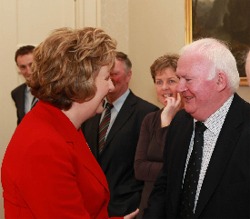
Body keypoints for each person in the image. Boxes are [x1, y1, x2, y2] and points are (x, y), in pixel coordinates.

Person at [1, 27, 139, 219]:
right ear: (81, 82)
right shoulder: (44, 145)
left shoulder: (62, 125)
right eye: (106, 78)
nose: (111, 86)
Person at [143, 38, 250, 218]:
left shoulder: (246, 126)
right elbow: (164, 187)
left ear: (220, 81)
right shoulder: (179, 123)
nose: (179, 87)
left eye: (188, 79)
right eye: (179, 78)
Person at [81, 51, 159, 217]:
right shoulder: (90, 111)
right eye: (106, 75)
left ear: (129, 75)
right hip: (92, 208)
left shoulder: (147, 113)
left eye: (115, 74)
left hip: (129, 208)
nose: (110, 80)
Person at [134, 54, 182, 219]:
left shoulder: (192, 119)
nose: (164, 88)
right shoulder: (150, 119)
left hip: (177, 207)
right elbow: (139, 169)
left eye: (171, 81)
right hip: (150, 206)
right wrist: (174, 170)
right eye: (159, 82)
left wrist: (167, 121)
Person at [11, 45, 36, 125]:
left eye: (31, 65)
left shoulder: (54, 90)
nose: (28, 71)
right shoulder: (17, 93)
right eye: (23, 67)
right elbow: (21, 124)